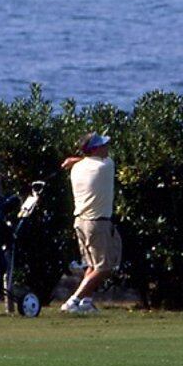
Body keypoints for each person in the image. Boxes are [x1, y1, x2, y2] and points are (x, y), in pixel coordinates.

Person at [58, 131, 120, 315]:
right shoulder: (106, 166)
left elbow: (84, 161)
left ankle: (86, 302)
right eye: (103, 145)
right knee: (104, 267)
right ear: (95, 149)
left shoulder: (76, 168)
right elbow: (99, 161)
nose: (107, 147)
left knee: (92, 266)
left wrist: (75, 160)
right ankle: (73, 301)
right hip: (97, 223)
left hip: (81, 222)